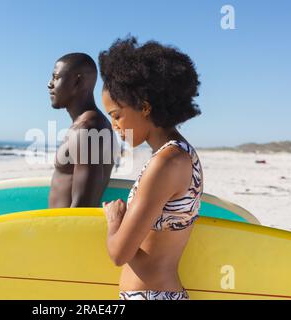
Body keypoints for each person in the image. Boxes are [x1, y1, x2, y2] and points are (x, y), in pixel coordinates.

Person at [99, 37, 203, 300]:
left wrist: (114, 221)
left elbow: (119, 253)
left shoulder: (166, 163)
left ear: (144, 107)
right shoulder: (182, 154)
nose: (114, 126)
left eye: (116, 115)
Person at [48, 53, 115, 208]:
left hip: (67, 230)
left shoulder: (88, 128)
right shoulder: (87, 124)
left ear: (77, 81)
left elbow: (84, 205)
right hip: (60, 228)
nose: (50, 84)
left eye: (56, 77)